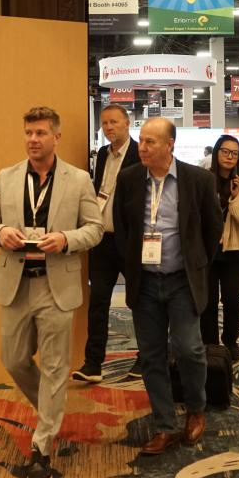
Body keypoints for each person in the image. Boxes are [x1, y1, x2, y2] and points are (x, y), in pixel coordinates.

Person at [0, 106, 104, 478]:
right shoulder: (7, 177)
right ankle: (52, 412)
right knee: (13, 360)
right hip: (16, 285)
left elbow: (95, 229)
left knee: (53, 367)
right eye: (28, 132)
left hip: (56, 287)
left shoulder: (79, 180)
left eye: (40, 133)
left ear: (56, 137)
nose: (33, 139)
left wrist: (66, 240)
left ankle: (42, 448)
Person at [112, 118, 222, 455]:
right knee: (151, 355)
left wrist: (196, 265)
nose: (142, 147)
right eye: (141, 141)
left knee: (189, 348)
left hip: (181, 281)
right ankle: (164, 425)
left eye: (150, 142)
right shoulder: (129, 179)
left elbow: (212, 228)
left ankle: (195, 408)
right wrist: (132, 268)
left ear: (169, 145)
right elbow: (121, 226)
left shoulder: (198, 180)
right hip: (144, 282)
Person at [72, 104, 142, 383]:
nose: (108, 127)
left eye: (114, 122)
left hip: (130, 241)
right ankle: (93, 364)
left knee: (138, 300)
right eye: (104, 123)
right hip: (101, 240)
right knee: (98, 301)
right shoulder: (102, 154)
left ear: (127, 124)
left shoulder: (140, 154)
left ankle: (146, 357)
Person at [200, 134, 239, 362]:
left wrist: (236, 198)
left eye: (234, 153)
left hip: (234, 250)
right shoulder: (204, 180)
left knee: (232, 300)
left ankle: (231, 340)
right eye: (225, 152)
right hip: (207, 251)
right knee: (208, 300)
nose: (229, 157)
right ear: (216, 153)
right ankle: (210, 343)